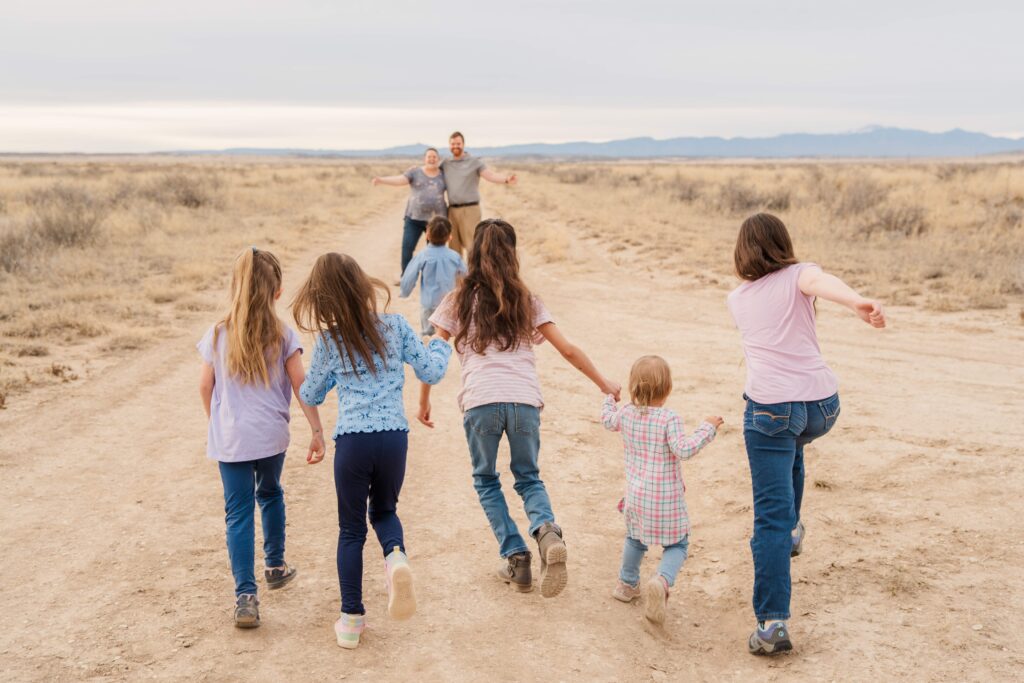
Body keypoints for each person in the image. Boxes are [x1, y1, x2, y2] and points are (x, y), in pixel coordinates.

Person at [420, 219, 620, 598]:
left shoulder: (457, 299)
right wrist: (604, 383)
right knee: (528, 477)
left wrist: (424, 401)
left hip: (481, 402)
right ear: (512, 254)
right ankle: (545, 530)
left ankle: (516, 557)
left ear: (473, 253)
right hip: (525, 401)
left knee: (485, 479)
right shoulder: (526, 301)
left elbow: (433, 352)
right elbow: (568, 350)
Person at [726, 213, 886, 656]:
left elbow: (818, 283)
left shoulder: (737, 298)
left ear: (742, 253)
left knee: (769, 520)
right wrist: (858, 302)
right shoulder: (799, 274)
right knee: (790, 442)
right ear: (783, 244)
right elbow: (820, 282)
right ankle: (794, 529)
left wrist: (855, 301)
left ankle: (773, 624)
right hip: (822, 408)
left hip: (771, 411)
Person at [293, 252, 452, 650]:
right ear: (363, 285)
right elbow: (431, 371)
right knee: (384, 512)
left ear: (323, 299)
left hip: (353, 442)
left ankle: (351, 620)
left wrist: (329, 375)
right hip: (393, 437)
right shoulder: (396, 326)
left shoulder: (331, 342)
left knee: (350, 530)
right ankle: (395, 556)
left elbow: (310, 392)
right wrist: (441, 345)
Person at [197, 247, 326, 629]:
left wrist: (215, 422)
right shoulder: (283, 334)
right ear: (278, 291)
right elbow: (301, 385)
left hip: (232, 440)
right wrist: (317, 431)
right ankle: (275, 565)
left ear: (235, 286)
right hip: (271, 436)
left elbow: (205, 385)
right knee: (269, 493)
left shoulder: (218, 333)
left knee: (237, 513)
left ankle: (246, 597)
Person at [601, 355, 722, 625]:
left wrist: (609, 397)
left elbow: (607, 420)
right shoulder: (669, 418)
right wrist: (708, 427)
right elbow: (684, 449)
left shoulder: (626, 413)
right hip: (666, 499)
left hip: (636, 496)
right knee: (678, 544)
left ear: (633, 387)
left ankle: (627, 584)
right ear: (667, 390)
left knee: (635, 539)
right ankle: (662, 581)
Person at [371, 147, 448, 277]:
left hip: (436, 221)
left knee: (435, 251)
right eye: (429, 156)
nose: (432, 159)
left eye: (434, 156)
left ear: (438, 159)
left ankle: (432, 276)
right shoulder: (415, 172)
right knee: (407, 248)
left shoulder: (444, 175)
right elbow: (400, 180)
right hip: (414, 218)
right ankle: (406, 276)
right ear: (424, 159)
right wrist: (382, 180)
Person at [440, 131, 518, 258]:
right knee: (454, 249)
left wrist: (506, 179)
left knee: (472, 247)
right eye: (453, 144)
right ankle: (457, 278)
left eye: (458, 143)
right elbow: (431, 173)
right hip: (452, 210)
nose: (455, 146)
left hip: (470, 210)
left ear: (463, 144)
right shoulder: (445, 163)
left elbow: (490, 175)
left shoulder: (474, 162)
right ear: (449, 145)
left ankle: (475, 276)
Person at [399, 216, 467, 337]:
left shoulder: (423, 255)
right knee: (445, 334)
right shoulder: (454, 256)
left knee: (427, 334)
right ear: (450, 237)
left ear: (427, 235)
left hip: (428, 303)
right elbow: (466, 275)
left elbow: (409, 276)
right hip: (448, 303)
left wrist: (405, 291)